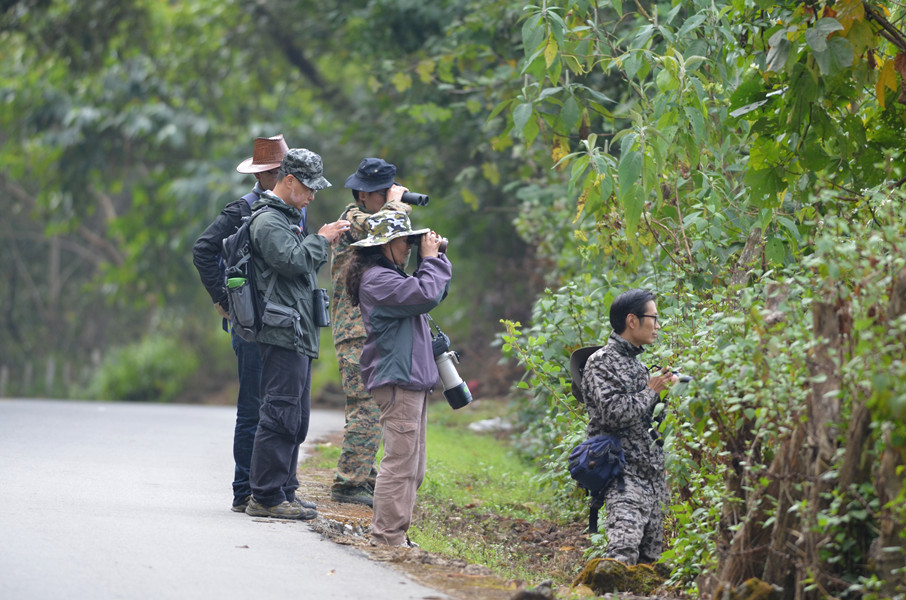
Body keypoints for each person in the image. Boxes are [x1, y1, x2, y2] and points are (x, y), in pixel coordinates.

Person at [192, 134, 307, 513]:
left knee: (283, 406)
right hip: (250, 323)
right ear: (273, 173)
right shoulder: (241, 210)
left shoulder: (294, 208)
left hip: (283, 322)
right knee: (254, 406)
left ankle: (280, 487)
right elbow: (204, 250)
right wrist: (223, 300)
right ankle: (245, 490)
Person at [244, 148, 350, 520]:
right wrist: (321, 239)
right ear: (288, 181)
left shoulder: (289, 218)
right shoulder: (268, 221)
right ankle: (266, 497)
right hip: (281, 332)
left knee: (297, 416)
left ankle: (285, 490)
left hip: (297, 331)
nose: (312, 196)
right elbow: (292, 262)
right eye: (308, 188)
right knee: (279, 414)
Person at [344, 210, 451, 546]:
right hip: (398, 380)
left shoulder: (390, 277)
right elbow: (426, 294)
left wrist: (435, 258)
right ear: (385, 245)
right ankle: (386, 538)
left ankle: (396, 536)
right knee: (400, 464)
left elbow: (431, 292)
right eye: (406, 241)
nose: (409, 248)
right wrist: (430, 259)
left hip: (409, 379)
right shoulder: (378, 279)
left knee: (412, 467)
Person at [329, 158, 412, 507]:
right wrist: (397, 202)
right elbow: (388, 224)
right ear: (363, 195)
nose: (388, 198)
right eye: (382, 193)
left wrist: (394, 203)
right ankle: (350, 483)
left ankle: (364, 473)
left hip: (369, 326)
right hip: (354, 328)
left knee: (372, 405)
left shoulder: (374, 220)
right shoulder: (352, 221)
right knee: (364, 404)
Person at [579, 288, 677, 565]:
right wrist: (651, 391)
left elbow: (651, 422)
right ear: (632, 321)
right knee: (622, 556)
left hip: (653, 477)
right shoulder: (601, 362)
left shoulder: (638, 366)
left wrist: (667, 391)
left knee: (650, 563)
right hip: (623, 475)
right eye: (653, 318)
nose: (657, 326)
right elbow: (614, 414)